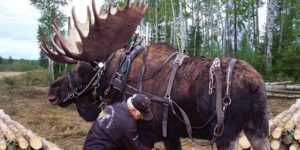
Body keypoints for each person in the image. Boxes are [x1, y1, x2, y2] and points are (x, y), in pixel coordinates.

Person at [83, 94, 153, 150]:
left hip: (90, 144)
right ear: (133, 110)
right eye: (141, 115)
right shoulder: (127, 124)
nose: (142, 118)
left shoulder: (117, 106)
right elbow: (135, 147)